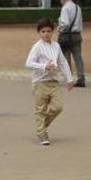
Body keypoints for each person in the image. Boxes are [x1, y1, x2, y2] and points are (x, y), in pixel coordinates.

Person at [25, 18, 75, 146]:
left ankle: (42, 125)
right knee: (40, 109)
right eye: (43, 31)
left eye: (48, 31)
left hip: (54, 82)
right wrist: (44, 66)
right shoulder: (37, 47)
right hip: (40, 83)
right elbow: (29, 63)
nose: (46, 34)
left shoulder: (56, 46)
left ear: (53, 31)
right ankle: (41, 133)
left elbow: (62, 62)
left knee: (58, 107)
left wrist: (69, 79)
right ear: (39, 32)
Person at [57, 0, 86, 87]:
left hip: (67, 35)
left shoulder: (65, 8)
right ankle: (81, 77)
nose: (60, 0)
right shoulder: (77, 7)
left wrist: (59, 28)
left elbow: (65, 23)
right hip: (77, 34)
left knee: (66, 57)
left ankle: (69, 78)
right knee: (78, 57)